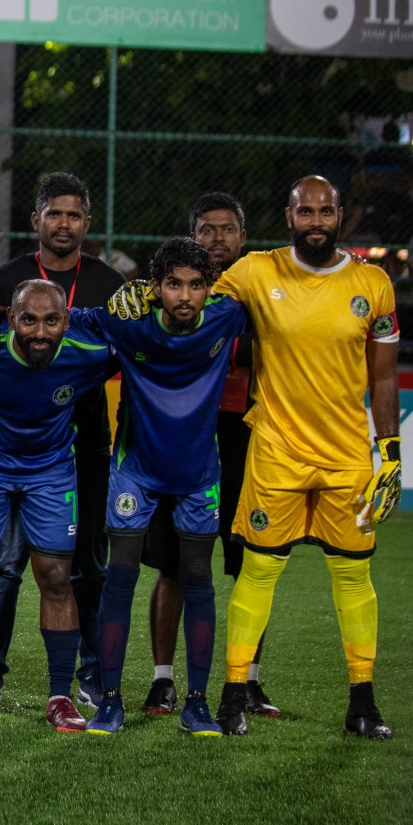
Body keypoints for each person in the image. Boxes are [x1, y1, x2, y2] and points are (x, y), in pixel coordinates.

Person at [111, 176, 401, 739]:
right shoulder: (255, 271)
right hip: (274, 451)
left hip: (347, 457)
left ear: (340, 215)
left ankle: (362, 701)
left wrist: (389, 450)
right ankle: (229, 693)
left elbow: (384, 374)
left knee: (352, 574)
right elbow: (189, 294)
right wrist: (143, 290)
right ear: (288, 216)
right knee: (253, 568)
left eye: (326, 211)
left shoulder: (374, 283)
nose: (316, 221)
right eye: (305, 211)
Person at [45, 237, 247, 737]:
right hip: (135, 471)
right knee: (120, 578)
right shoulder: (128, 320)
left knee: (198, 579)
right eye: (172, 284)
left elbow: (273, 297)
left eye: (196, 285)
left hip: (199, 475)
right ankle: (110, 701)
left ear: (209, 288)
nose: (185, 295)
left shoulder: (227, 316)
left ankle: (196, 704)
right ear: (155, 288)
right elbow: (63, 318)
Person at [0, 172, 124, 708]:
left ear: (87, 222)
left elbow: (125, 351)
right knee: (2, 563)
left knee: (87, 564)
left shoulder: (109, 285)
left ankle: (89, 671)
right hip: (10, 447)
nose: (63, 223)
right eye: (53, 214)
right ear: (35, 220)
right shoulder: (4, 281)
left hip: (85, 445)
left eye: (74, 214)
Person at [0, 280, 113, 732]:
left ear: (66, 321)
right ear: (11, 319)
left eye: (51, 320)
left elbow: (135, 337)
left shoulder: (89, 353)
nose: (40, 332)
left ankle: (59, 697)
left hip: (51, 471)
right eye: (28, 320)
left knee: (56, 577)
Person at [139, 193, 277, 718]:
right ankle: (162, 680)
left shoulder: (262, 295)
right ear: (191, 236)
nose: (217, 238)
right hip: (182, 438)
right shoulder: (166, 294)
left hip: (246, 438)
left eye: (227, 230)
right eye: (206, 229)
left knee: (250, 565)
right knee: (174, 566)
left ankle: (249, 682)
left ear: (243, 238)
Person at [345, 121, 413, 244]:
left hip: (398, 195)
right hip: (379, 195)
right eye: (389, 134)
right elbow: (371, 180)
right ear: (384, 136)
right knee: (379, 214)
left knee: (412, 213)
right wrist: (389, 180)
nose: (391, 137)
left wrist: (389, 180)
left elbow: (407, 179)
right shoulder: (375, 155)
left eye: (393, 134)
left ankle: (398, 247)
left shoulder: (403, 155)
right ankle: (388, 245)